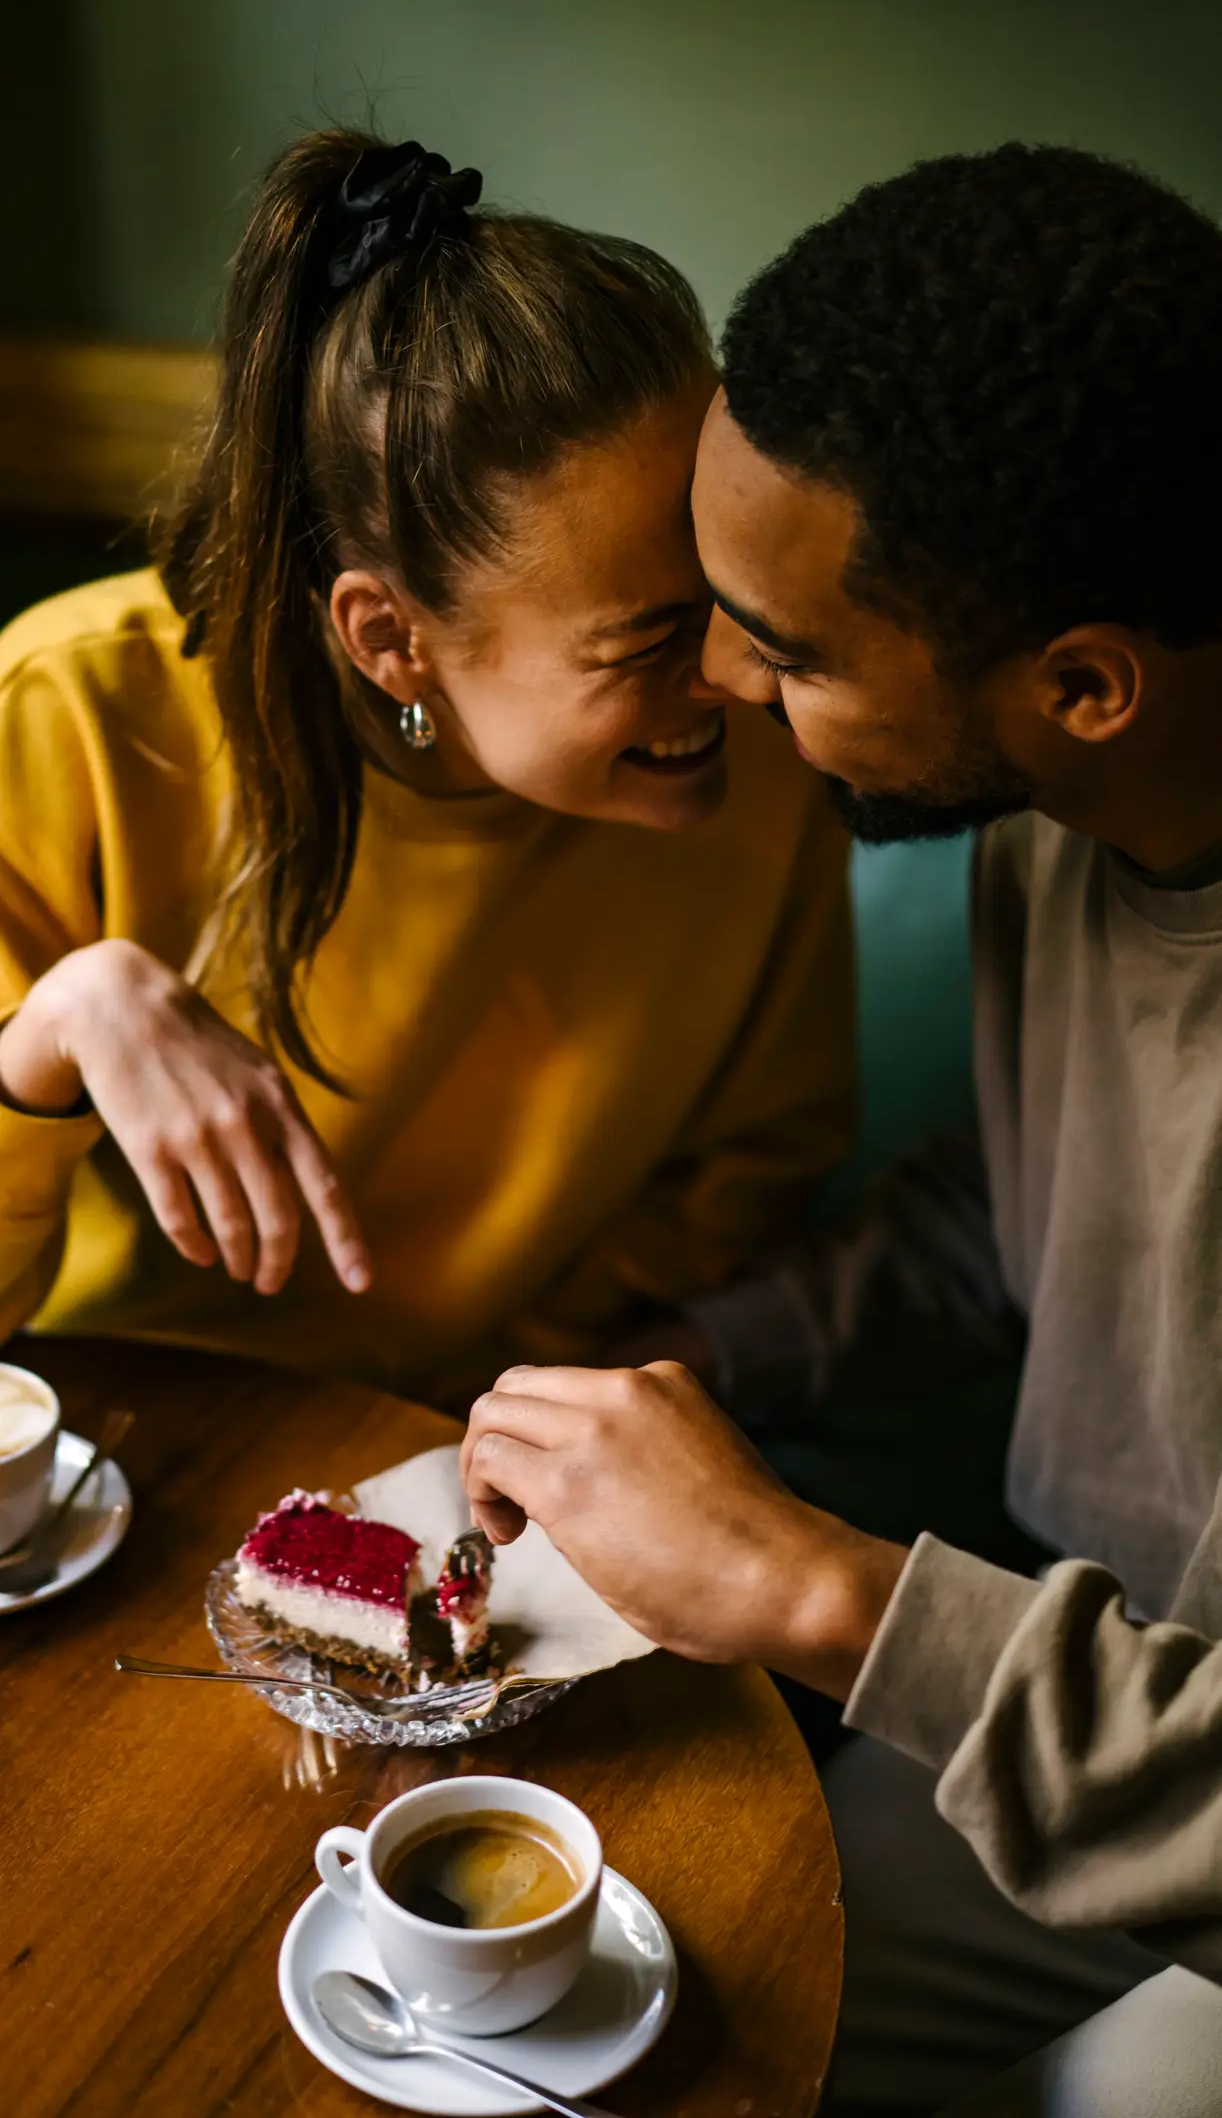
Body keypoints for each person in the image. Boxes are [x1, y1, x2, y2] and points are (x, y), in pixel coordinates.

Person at [463, 144, 1222, 2116]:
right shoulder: (1051, 828)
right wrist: (710, 1360)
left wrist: (807, 1584)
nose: (709, 681)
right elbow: (1032, 1219)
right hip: (1036, 1701)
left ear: (1075, 685)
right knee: (617, 2026)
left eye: (781, 652)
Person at [0, 130, 852, 1403]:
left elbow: (752, 1172)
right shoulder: (75, 718)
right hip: (108, 1422)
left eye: (730, 597)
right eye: (647, 638)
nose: (741, 671)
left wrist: (498, 1387)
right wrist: (54, 1033)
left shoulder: (767, 738)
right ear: (390, 639)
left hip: (483, 1443)